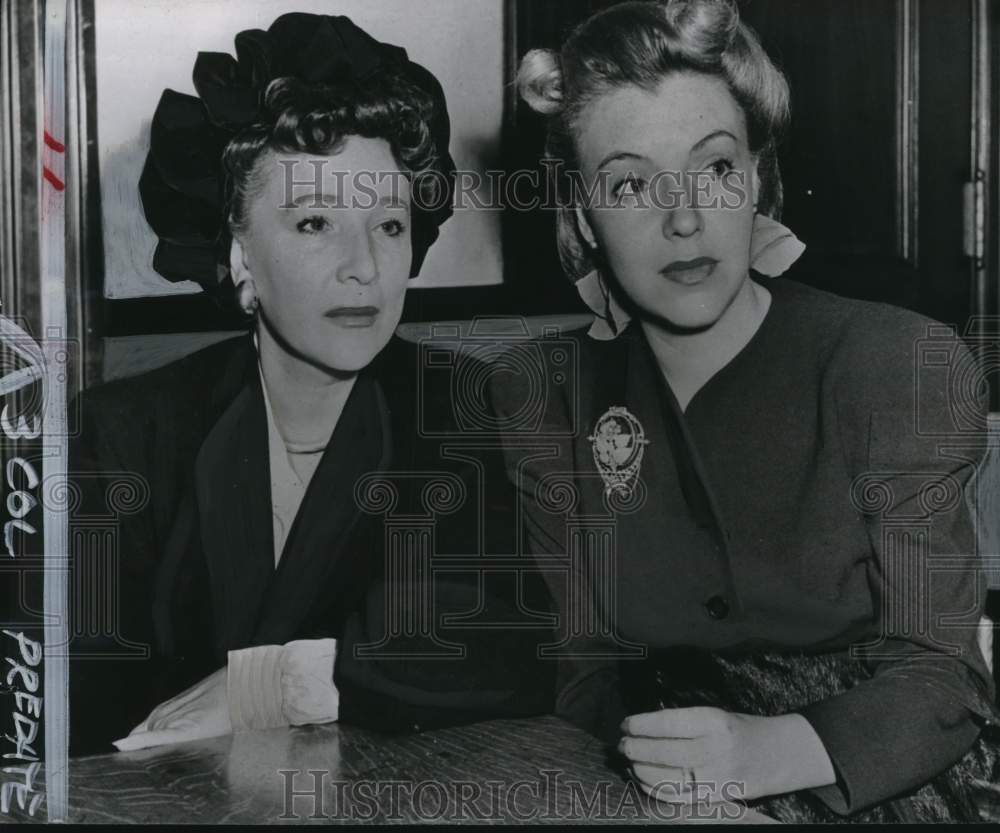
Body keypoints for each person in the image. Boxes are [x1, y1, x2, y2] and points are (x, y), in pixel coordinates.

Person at [492, 0, 999, 822]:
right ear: (583, 213)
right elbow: (581, 669)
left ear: (759, 178)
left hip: (897, 791)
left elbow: (945, 679)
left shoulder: (893, 363)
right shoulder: (543, 394)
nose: (683, 217)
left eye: (715, 168)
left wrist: (771, 753)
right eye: (628, 183)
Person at [67, 12, 552, 757]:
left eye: (389, 225)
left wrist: (271, 683)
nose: (363, 265)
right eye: (315, 222)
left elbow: (498, 644)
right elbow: (79, 707)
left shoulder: (457, 406)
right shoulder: (126, 433)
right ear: (238, 258)